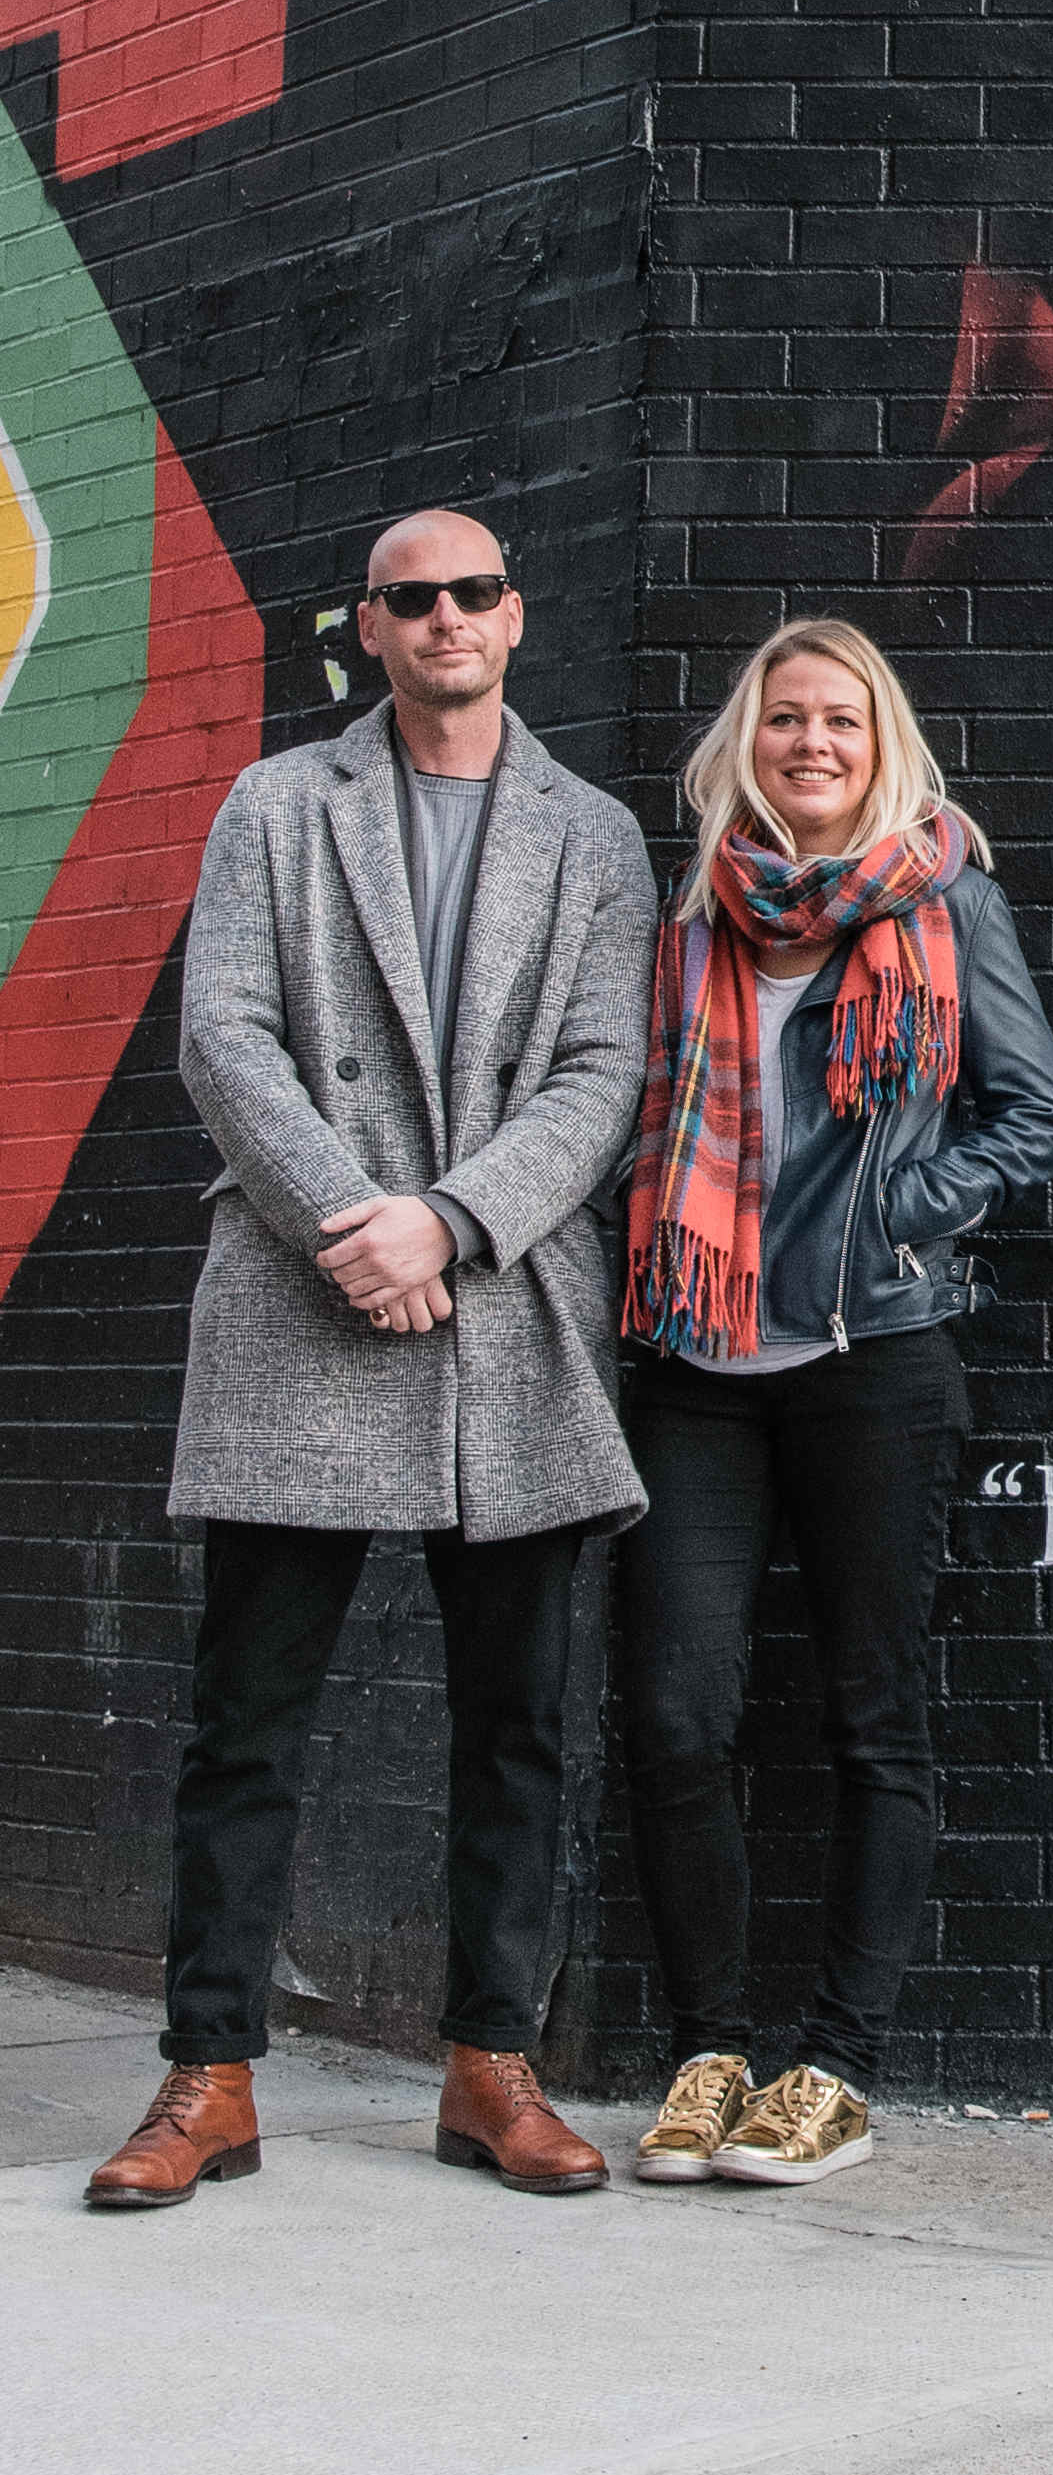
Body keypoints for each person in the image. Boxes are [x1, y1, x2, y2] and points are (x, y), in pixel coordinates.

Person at [89, 510, 657, 2215]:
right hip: (303, 1293)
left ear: (515, 616)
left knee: (518, 1729)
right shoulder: (279, 801)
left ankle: (494, 2064)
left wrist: (455, 1223)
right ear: (371, 627)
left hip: (504, 1315)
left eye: (473, 590)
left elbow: (603, 1069)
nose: (446, 617)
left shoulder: (595, 834)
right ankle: (210, 2074)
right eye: (412, 597)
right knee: (247, 1726)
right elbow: (226, 1031)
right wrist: (359, 1220)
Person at [616, 619, 1053, 2189]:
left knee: (876, 1722)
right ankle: (709, 2053)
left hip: (874, 1355)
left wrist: (895, 1213)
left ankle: (836, 2069)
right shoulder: (690, 929)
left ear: (883, 747)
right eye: (787, 718)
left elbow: (1036, 1116)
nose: (813, 743)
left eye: (843, 721)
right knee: (678, 1712)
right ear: (747, 742)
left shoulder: (948, 904)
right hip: (697, 1367)